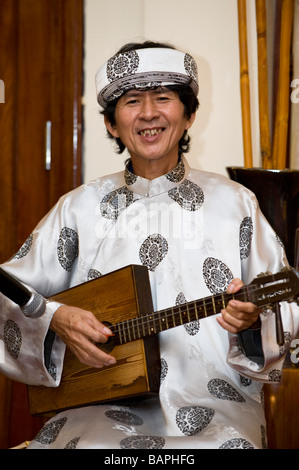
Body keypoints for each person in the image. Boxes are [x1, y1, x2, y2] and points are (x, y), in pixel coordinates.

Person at [0, 40, 299, 450]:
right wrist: (56, 319)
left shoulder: (236, 203)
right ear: (111, 124)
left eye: (163, 98)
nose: (148, 113)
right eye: (132, 101)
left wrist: (251, 325)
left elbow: (284, 311)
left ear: (189, 114)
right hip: (98, 407)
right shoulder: (77, 209)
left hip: (216, 406)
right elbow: (9, 293)